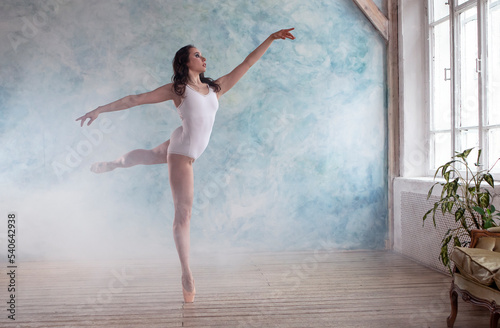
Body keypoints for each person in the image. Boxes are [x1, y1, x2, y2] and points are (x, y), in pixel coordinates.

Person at [76, 28, 295, 303]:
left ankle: (114, 163)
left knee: (148, 155)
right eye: (197, 54)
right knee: (184, 214)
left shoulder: (216, 88)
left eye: (201, 54)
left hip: (181, 142)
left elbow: (247, 62)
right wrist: (99, 109)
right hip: (183, 154)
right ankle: (186, 274)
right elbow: (135, 99)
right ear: (185, 62)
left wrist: (271, 38)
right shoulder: (177, 90)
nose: (203, 58)